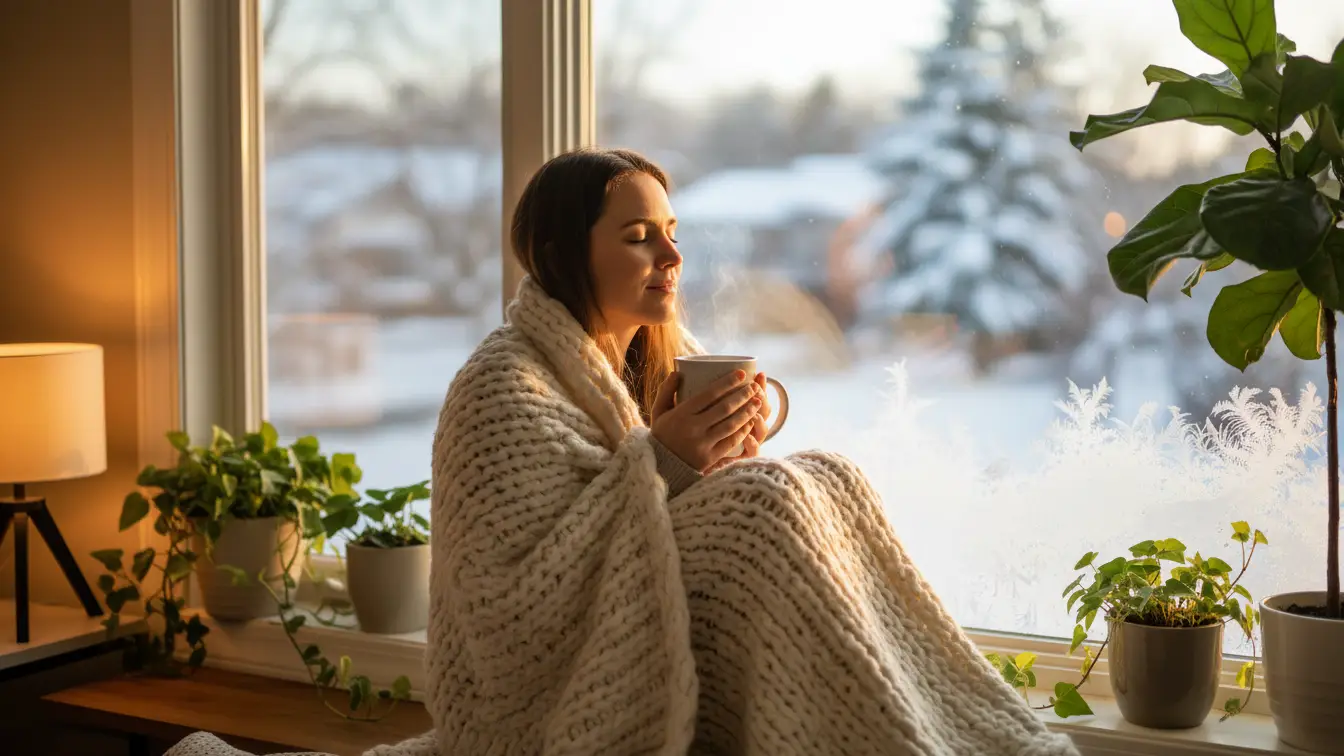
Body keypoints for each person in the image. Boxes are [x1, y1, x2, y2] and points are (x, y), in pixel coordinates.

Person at [165, 149, 1077, 756]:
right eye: (638, 236)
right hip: (539, 696)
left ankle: (956, 731)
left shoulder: (637, 365)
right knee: (766, 506)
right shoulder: (501, 386)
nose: (669, 255)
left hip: (662, 618)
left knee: (821, 476)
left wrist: (717, 446)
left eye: (672, 233)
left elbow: (663, 519)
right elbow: (514, 604)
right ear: (566, 252)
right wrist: (667, 463)